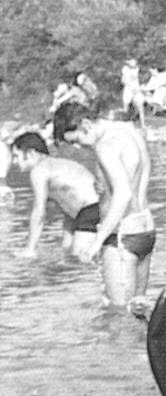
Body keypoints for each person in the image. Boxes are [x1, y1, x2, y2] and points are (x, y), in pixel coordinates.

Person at [52, 101, 155, 309]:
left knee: (118, 316)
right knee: (138, 310)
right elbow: (138, 179)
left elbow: (123, 194)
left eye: (78, 140)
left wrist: (97, 241)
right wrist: (106, 188)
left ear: (86, 124)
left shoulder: (104, 145)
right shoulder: (131, 132)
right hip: (146, 229)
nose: (80, 147)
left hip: (122, 237)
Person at [9, 132, 100, 258]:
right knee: (71, 256)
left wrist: (30, 249)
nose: (14, 162)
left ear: (31, 153)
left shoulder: (38, 171)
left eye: (16, 156)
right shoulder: (57, 165)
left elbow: (39, 211)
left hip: (91, 210)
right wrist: (66, 243)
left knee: (80, 263)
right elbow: (69, 206)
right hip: (94, 208)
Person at [120, 58, 146, 127]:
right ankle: (126, 117)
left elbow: (135, 76)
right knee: (126, 103)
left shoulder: (137, 69)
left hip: (136, 88)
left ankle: (142, 124)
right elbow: (123, 80)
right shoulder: (125, 69)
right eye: (131, 62)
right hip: (128, 88)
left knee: (140, 106)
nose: (133, 63)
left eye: (134, 62)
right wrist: (125, 81)